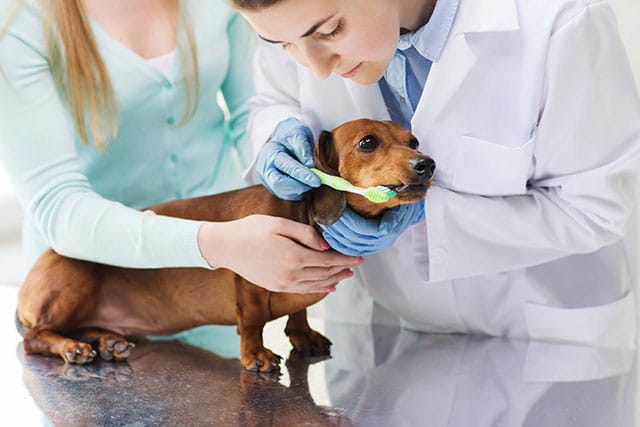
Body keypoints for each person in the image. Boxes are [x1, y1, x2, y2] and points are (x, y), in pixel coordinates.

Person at [231, 0, 640, 348]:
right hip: (381, 329)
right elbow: (274, 98)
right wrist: (277, 131)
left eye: (333, 30)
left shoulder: (563, 21)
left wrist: (424, 215)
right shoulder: (295, 17)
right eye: (282, 43)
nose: (316, 69)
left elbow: (594, 210)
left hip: (540, 332)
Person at [0, 0, 361, 294]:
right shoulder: (19, 23)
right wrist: (217, 243)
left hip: (220, 281)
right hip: (89, 292)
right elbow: (57, 207)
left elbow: (250, 110)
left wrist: (276, 146)